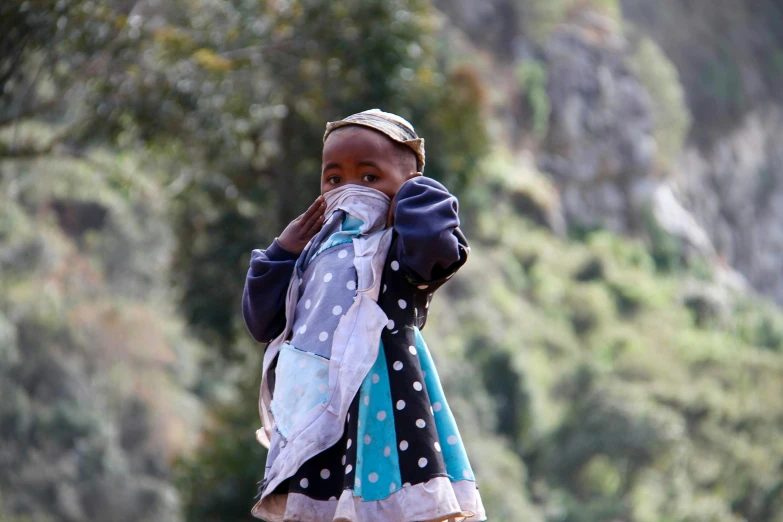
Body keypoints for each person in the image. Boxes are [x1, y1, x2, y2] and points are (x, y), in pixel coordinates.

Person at [243, 109, 486, 522]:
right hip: (314, 403)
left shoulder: (399, 244)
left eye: (370, 178)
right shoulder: (309, 255)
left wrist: (412, 196)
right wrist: (282, 253)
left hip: (383, 400)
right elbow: (262, 322)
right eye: (334, 179)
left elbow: (438, 248)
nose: (350, 190)